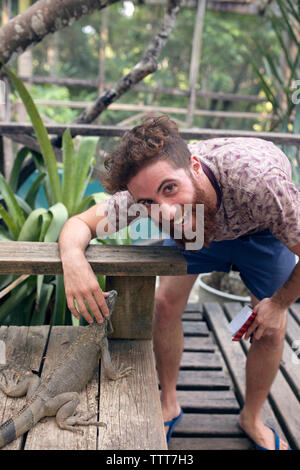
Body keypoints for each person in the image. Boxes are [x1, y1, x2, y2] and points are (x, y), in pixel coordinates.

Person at [58, 114, 300, 450]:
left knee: (273, 327)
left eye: (170, 188)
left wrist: (279, 303)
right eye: (149, 204)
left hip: (261, 229)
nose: (165, 212)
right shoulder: (145, 193)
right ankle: (168, 401)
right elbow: (79, 224)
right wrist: (74, 263)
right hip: (197, 226)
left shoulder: (262, 184)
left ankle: (252, 416)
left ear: (195, 167)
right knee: (164, 305)